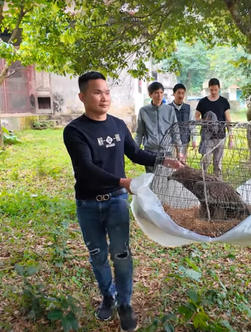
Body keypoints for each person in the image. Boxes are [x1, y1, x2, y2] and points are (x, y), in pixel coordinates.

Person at [63, 71, 183, 332]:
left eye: (106, 92)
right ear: (83, 96)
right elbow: (86, 167)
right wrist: (123, 182)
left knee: (121, 253)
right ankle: (108, 296)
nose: (104, 97)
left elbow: (135, 152)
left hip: (116, 202)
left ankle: (125, 304)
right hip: (88, 203)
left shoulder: (118, 126)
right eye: (97, 92)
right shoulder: (74, 131)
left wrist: (163, 160)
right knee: (97, 255)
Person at [134, 82, 181, 173]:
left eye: (161, 92)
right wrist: (135, 151)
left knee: (166, 178)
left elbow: (175, 130)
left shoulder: (169, 110)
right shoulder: (144, 111)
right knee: (151, 178)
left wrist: (179, 150)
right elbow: (139, 133)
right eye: (156, 93)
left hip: (167, 150)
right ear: (150, 94)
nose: (159, 96)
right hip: (150, 151)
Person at [194, 78, 234, 179]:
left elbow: (228, 120)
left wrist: (231, 138)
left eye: (216, 90)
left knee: (218, 163)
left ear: (219, 88)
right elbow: (196, 116)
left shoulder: (224, 102)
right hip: (207, 137)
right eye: (211, 90)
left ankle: (218, 184)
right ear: (209, 89)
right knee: (205, 162)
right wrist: (204, 122)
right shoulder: (203, 102)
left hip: (220, 137)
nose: (213, 92)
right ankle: (203, 182)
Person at [169, 83, 192, 163]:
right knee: (172, 162)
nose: (181, 95)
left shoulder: (188, 108)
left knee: (182, 162)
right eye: (178, 93)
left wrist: (194, 140)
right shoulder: (168, 108)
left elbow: (191, 124)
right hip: (171, 142)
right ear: (174, 94)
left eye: (183, 93)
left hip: (185, 139)